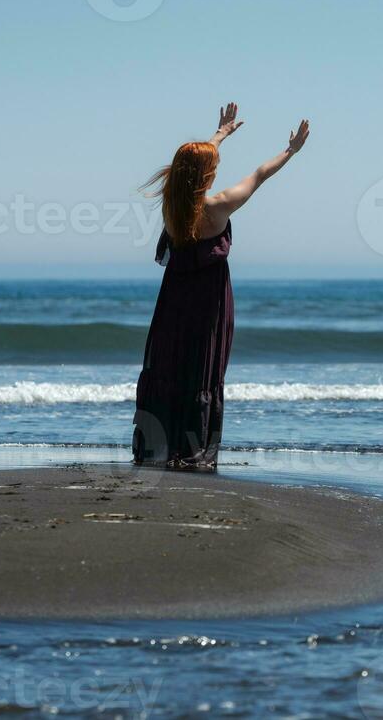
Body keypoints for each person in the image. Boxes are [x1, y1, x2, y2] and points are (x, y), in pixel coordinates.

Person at [132, 103, 310, 471]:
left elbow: (187, 168)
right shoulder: (218, 207)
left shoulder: (171, 205)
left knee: (171, 365)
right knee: (202, 368)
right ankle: (194, 450)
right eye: (212, 168)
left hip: (174, 297)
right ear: (206, 176)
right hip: (209, 299)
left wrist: (220, 136)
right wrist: (290, 151)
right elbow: (260, 175)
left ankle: (158, 446)